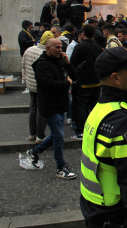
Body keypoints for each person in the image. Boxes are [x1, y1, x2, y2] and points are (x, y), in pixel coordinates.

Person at [80, 47, 127, 227]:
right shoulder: (124, 121)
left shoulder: (100, 110)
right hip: (119, 215)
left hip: (96, 209)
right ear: (116, 78)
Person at [26, 38, 78, 179]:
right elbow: (49, 83)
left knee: (56, 134)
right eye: (56, 47)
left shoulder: (60, 61)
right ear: (48, 48)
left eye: (61, 47)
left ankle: (35, 152)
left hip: (60, 104)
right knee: (59, 136)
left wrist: (68, 63)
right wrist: (67, 83)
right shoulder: (41, 65)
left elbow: (75, 76)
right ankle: (61, 167)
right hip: (49, 105)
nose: (60, 49)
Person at [70, 24, 103, 140]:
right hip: (96, 82)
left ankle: (81, 132)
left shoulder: (79, 47)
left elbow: (72, 63)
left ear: (83, 34)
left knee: (81, 107)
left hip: (82, 82)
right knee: (94, 107)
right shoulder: (98, 47)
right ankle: (94, 130)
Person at [21, 32, 52, 145]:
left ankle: (32, 134)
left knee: (33, 108)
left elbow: (23, 65)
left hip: (31, 84)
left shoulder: (29, 50)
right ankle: (40, 135)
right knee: (41, 110)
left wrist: (26, 79)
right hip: (42, 85)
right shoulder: (47, 53)